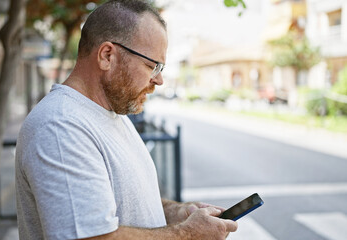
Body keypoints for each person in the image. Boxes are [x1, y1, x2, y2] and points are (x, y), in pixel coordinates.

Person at [15, 0, 238, 239]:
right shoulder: (60, 126)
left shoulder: (110, 113)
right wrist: (187, 234)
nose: (159, 80)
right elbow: (90, 236)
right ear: (107, 55)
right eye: (152, 65)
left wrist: (176, 212)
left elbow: (124, 201)